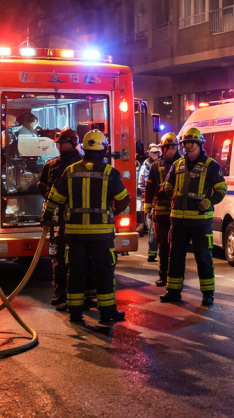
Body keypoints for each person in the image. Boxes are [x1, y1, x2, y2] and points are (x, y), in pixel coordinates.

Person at [41, 130, 129, 325]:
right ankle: (106, 314)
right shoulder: (110, 172)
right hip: (102, 235)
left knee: (75, 271)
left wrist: (46, 216)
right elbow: (124, 200)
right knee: (104, 271)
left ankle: (75, 314)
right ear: (103, 149)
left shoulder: (70, 171)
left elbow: (55, 197)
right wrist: (112, 213)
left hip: (75, 233)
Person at [159, 128, 227, 307]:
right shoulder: (177, 165)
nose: (187, 147)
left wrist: (209, 201)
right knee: (175, 257)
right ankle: (173, 291)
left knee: (203, 257)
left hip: (200, 221)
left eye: (191, 143)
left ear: (198, 144)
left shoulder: (211, 165)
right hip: (178, 221)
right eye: (185, 143)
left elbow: (221, 189)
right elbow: (167, 185)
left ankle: (208, 294)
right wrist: (172, 194)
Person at [36, 128, 85, 309]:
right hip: (60, 218)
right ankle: (61, 293)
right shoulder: (51, 165)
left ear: (71, 143)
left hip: (72, 219)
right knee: (59, 257)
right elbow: (43, 187)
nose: (58, 147)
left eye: (61, 143)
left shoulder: (81, 163)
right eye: (58, 143)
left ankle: (73, 295)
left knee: (74, 258)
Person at [144, 134, 178, 286]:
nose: (164, 151)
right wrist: (147, 205)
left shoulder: (182, 164)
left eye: (166, 148)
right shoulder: (156, 165)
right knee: (162, 246)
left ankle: (175, 277)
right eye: (162, 148)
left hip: (177, 213)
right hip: (160, 213)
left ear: (175, 147)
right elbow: (150, 186)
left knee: (176, 247)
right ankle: (164, 275)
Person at [137, 143, 161, 262]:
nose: (155, 154)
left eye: (157, 152)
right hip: (149, 201)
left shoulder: (162, 165)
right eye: (153, 152)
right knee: (152, 228)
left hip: (161, 201)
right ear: (150, 153)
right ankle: (152, 254)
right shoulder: (145, 166)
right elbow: (141, 184)